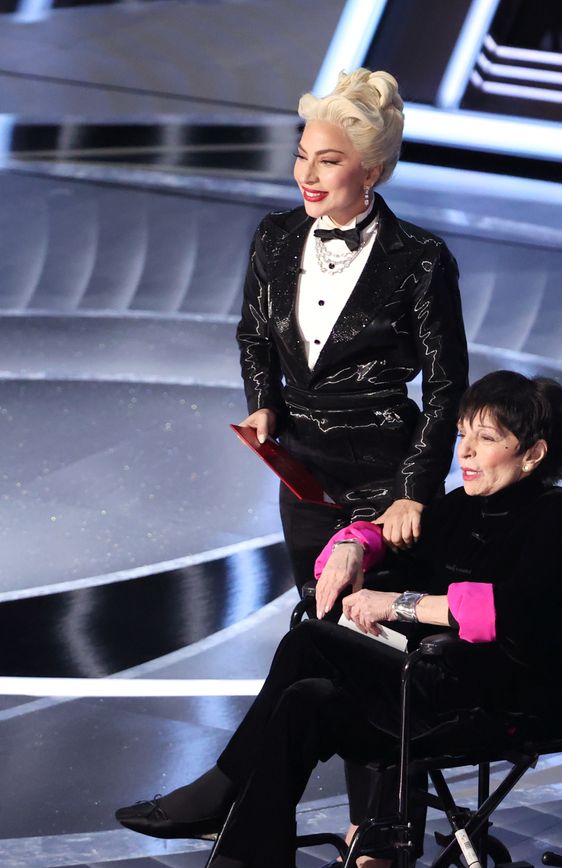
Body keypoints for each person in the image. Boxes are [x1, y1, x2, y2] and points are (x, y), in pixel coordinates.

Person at [117, 372, 562, 868]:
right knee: (304, 704)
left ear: (533, 452)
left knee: (311, 643)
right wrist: (350, 546)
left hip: (504, 703)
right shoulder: (460, 507)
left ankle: (218, 792)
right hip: (433, 689)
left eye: (485, 438)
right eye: (463, 433)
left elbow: (508, 611)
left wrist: (397, 605)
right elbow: (386, 534)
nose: (464, 451)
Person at [237, 67, 468, 586]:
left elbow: (445, 386)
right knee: (316, 615)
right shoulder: (274, 236)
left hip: (386, 470)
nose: (306, 176)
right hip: (303, 473)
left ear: (371, 172)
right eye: (302, 156)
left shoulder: (420, 258)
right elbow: (254, 333)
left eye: (329, 161)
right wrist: (263, 403)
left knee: (378, 624)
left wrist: (413, 488)